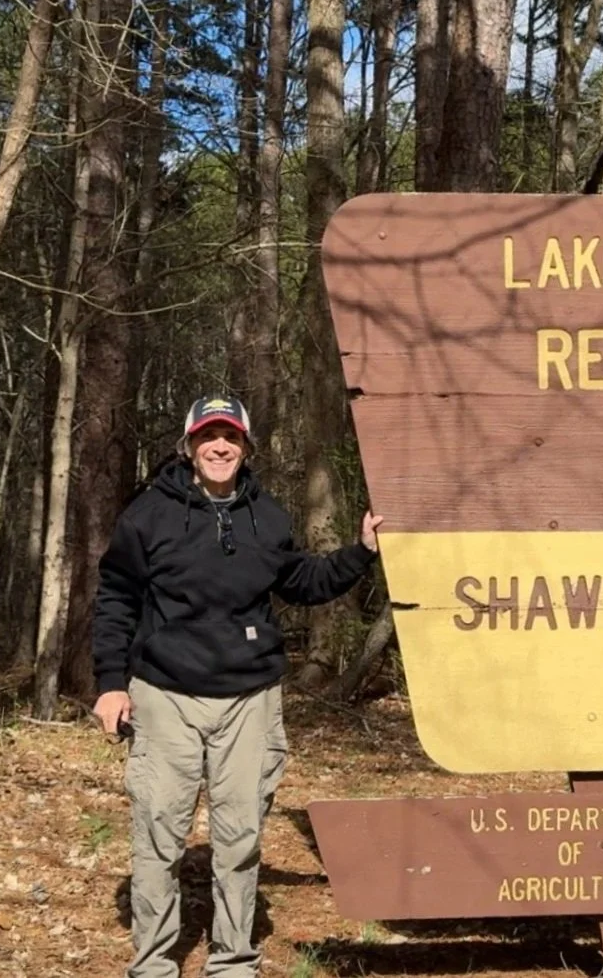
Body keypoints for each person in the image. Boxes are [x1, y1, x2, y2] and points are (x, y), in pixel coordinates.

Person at [91, 394, 381, 978]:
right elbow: (116, 599)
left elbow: (299, 580)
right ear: (189, 445)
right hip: (165, 693)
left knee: (241, 836)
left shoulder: (266, 515)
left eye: (230, 437)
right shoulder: (148, 514)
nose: (219, 446)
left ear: (246, 447)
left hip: (250, 698)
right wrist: (109, 684)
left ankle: (232, 961)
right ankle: (152, 964)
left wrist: (360, 553)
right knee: (158, 833)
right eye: (207, 436)